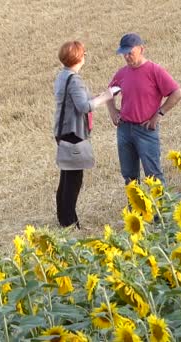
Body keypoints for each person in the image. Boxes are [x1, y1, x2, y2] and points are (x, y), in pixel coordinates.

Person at [107, 33, 181, 185]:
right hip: (124, 130)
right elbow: (109, 93)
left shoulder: (155, 71)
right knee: (129, 178)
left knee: (154, 176)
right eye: (124, 54)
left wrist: (159, 114)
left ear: (141, 49)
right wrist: (113, 111)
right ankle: (136, 209)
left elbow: (177, 93)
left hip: (145, 130)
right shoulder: (122, 73)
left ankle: (162, 208)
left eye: (130, 53)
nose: (127, 57)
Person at [54, 41, 113, 229]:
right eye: (84, 53)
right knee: (73, 180)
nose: (86, 56)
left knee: (66, 176)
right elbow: (83, 107)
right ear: (79, 57)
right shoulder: (75, 79)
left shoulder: (62, 76)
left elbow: (76, 101)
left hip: (63, 130)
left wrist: (94, 97)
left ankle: (64, 218)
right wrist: (107, 96)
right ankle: (70, 223)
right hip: (73, 132)